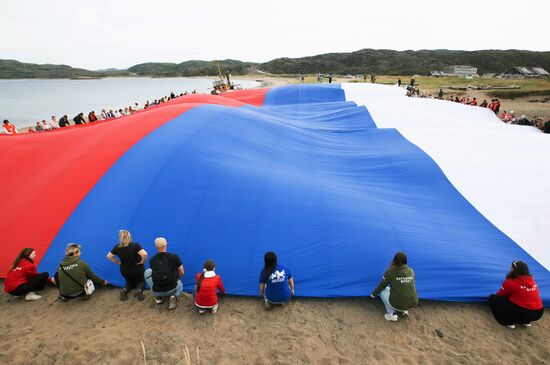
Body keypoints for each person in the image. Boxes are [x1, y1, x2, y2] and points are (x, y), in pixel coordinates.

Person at [489, 261, 544, 329]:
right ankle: (525, 321)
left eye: (511, 268)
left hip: (523, 312)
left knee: (493, 298)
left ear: (515, 271)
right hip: (538, 313)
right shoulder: (532, 281)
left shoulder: (510, 282)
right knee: (522, 302)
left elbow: (500, 295)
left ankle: (507, 322)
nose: (510, 269)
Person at [370, 252, 418, 321]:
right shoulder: (411, 271)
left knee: (382, 290)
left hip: (397, 304)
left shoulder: (390, 271)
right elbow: (409, 285)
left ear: (394, 260)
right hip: (413, 302)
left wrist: (373, 294)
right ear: (405, 261)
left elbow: (382, 285)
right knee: (405, 289)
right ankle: (405, 310)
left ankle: (390, 315)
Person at [106, 230, 147, 301]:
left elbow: (109, 256)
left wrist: (117, 262)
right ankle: (139, 291)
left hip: (125, 270)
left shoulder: (117, 247)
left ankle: (124, 291)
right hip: (137, 269)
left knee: (129, 282)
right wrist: (142, 261)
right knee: (141, 281)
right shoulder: (135, 245)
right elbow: (144, 254)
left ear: (120, 238)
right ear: (129, 236)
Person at [144, 237, 184, 310]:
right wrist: (177, 279)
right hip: (172, 289)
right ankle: (174, 296)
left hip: (157, 291)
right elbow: (182, 271)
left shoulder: (152, 260)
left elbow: (154, 273)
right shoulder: (174, 257)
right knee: (180, 284)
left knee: (147, 271)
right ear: (166, 245)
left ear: (156, 247)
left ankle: (157, 298)